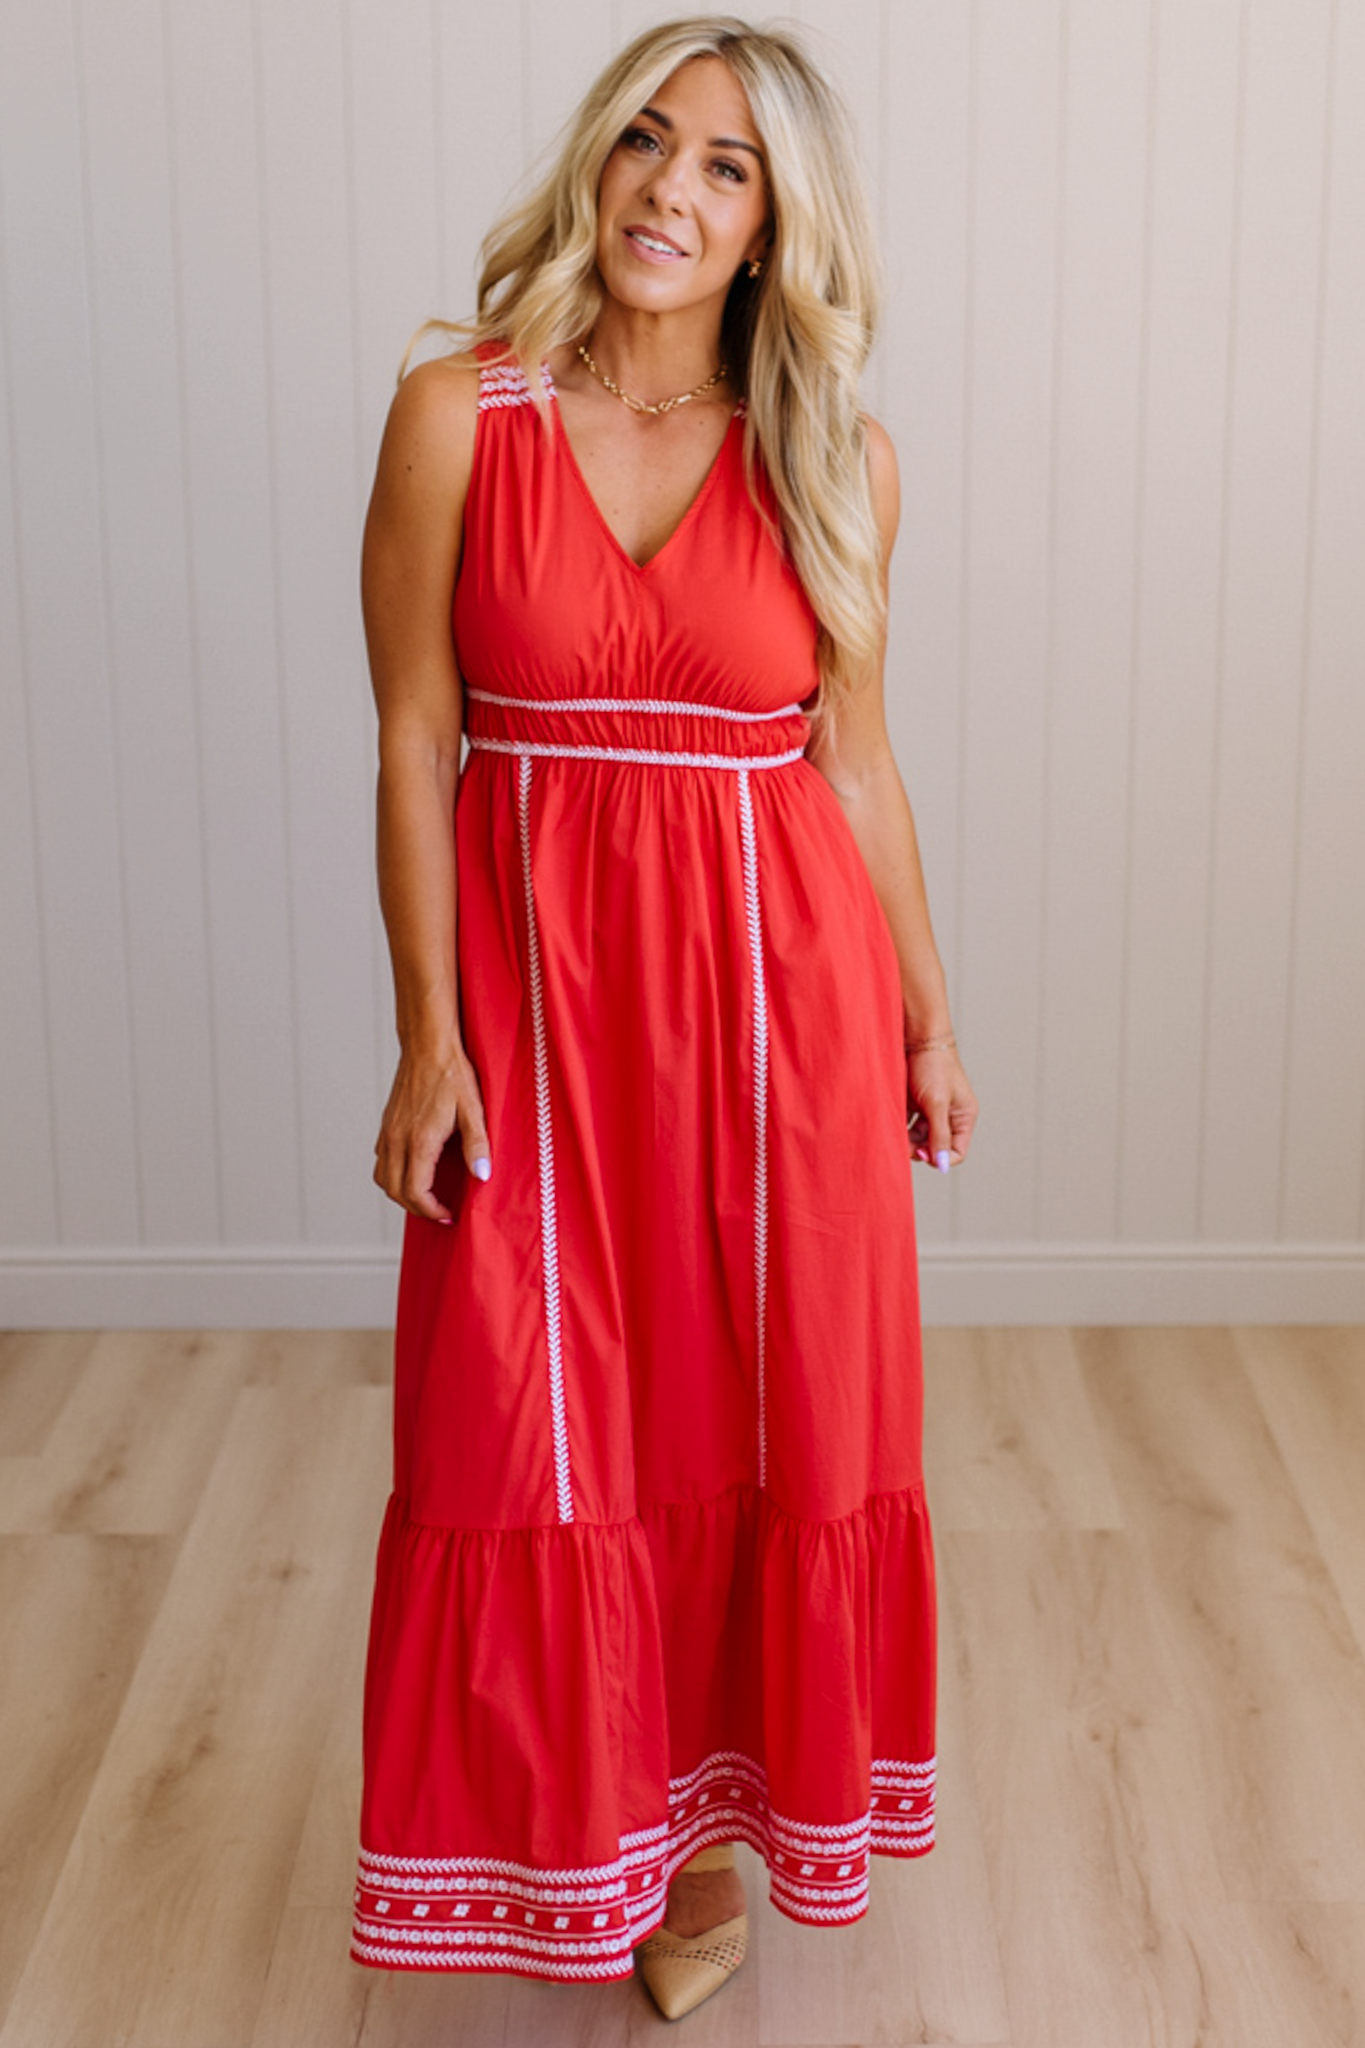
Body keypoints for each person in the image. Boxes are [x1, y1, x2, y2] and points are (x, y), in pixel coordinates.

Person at [350, 13, 978, 2021]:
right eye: (645, 141)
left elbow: (855, 764)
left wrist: (929, 1021)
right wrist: (428, 1034)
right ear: (592, 164)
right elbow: (414, 727)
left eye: (727, 169)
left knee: (758, 1419)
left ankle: (699, 1830)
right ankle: (571, 1824)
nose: (668, 192)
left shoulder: (835, 459)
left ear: (776, 229)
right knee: (519, 1430)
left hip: (780, 1017)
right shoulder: (461, 409)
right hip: (537, 1016)